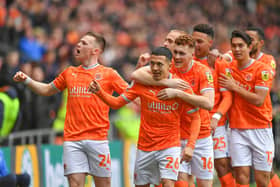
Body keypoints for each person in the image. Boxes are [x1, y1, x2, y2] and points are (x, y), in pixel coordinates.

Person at [13, 32, 128, 187]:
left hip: (98, 139)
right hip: (73, 140)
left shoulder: (109, 74)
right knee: (74, 184)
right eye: (79, 42)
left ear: (96, 51)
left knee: (103, 184)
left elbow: (129, 94)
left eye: (84, 43)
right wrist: (27, 80)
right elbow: (47, 89)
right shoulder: (70, 72)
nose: (78, 45)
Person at [89, 46, 201, 187]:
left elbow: (195, 117)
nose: (155, 68)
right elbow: (117, 103)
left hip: (169, 146)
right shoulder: (141, 84)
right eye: (152, 63)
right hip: (145, 147)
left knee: (168, 183)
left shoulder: (180, 87)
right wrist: (100, 92)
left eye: (159, 64)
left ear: (170, 65)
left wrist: (190, 145)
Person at [131, 33, 215, 187]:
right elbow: (136, 75)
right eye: (175, 52)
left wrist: (178, 93)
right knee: (179, 181)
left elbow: (208, 103)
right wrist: (168, 82)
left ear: (192, 54)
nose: (177, 56)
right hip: (173, 138)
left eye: (181, 53)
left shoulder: (203, 71)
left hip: (201, 135)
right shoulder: (167, 68)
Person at [219, 30, 274, 187]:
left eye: (241, 46)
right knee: (241, 177)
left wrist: (235, 87)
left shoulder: (262, 69)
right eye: (234, 46)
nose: (237, 49)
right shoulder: (229, 68)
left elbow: (258, 99)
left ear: (250, 47)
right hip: (237, 129)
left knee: (262, 179)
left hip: (261, 129)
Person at [192, 23, 234, 187]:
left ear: (210, 43)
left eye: (200, 41)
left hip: (215, 124)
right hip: (191, 122)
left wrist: (216, 117)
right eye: (193, 40)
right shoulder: (186, 61)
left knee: (221, 165)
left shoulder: (219, 63)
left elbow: (227, 97)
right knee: (187, 168)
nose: (195, 45)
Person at [245, 26, 280, 187]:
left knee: (266, 168)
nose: (248, 42)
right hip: (242, 121)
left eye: (251, 39)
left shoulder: (268, 60)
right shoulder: (239, 58)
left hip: (262, 121)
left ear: (261, 42)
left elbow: (264, 84)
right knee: (240, 166)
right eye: (246, 38)